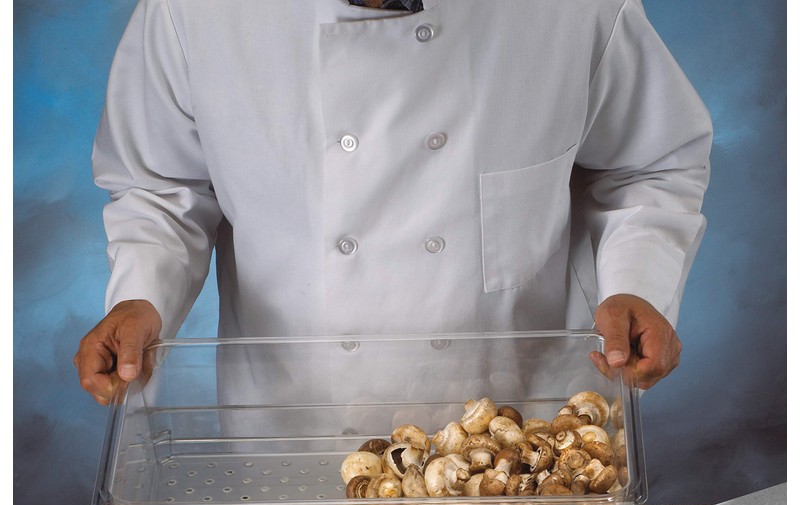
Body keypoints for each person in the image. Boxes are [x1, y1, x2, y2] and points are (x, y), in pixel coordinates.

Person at [74, 0, 712, 404]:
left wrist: (639, 284)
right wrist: (142, 295)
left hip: (525, 442)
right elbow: (161, 189)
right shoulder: (192, 13)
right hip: (295, 435)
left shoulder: (575, 9)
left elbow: (649, 163)